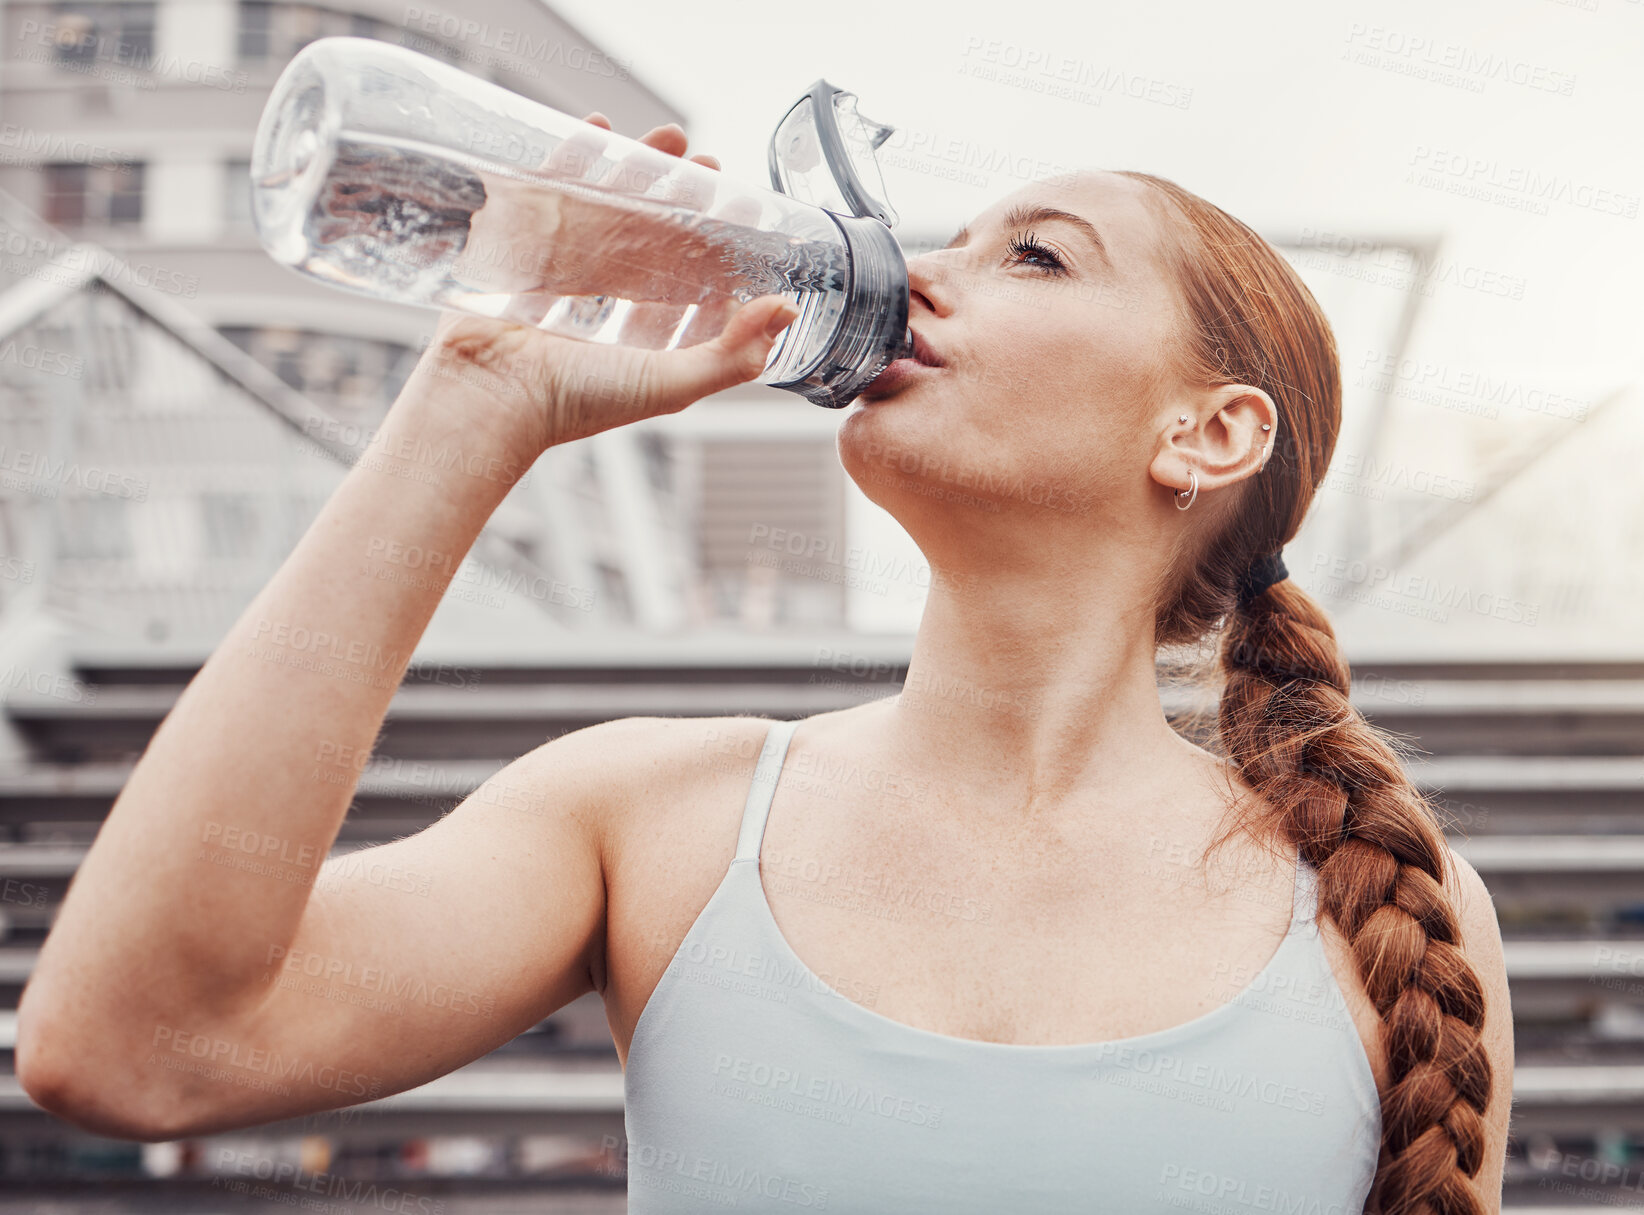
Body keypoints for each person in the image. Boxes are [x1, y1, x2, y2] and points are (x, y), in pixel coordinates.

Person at [17, 113, 1512, 1212]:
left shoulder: (1377, 899)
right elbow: (137, 1048)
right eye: (953, 238)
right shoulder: (655, 814)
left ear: (1210, 433)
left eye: (1035, 255)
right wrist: (479, 401)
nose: (921, 274)